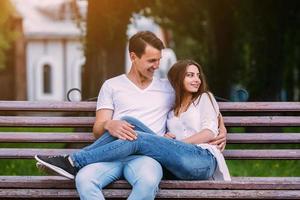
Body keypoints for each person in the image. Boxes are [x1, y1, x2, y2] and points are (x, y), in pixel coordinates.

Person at [36, 31, 227, 199]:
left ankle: (73, 161)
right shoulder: (111, 86)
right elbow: (98, 130)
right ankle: (74, 163)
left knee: (147, 182)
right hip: (112, 153)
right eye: (151, 60)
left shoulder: (167, 88)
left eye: (159, 60)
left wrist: (221, 127)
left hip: (148, 157)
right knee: (85, 180)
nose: (157, 66)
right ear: (133, 57)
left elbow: (199, 101)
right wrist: (109, 125)